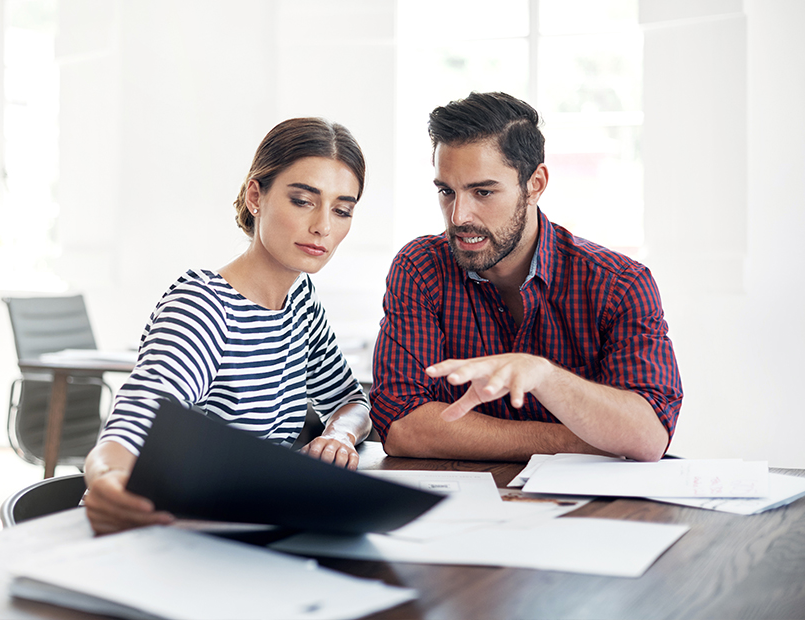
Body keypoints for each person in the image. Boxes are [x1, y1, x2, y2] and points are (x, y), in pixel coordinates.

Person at [83, 118, 373, 534]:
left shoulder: (300, 301)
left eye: (342, 209)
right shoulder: (203, 305)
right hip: (159, 530)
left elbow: (351, 401)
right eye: (303, 201)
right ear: (257, 196)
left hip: (242, 525)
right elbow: (135, 420)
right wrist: (108, 478)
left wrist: (340, 436)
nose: (324, 226)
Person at [369, 92, 682, 464]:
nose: (458, 217)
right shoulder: (420, 268)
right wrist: (583, 440)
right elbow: (403, 426)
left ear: (535, 184)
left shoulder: (619, 284)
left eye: (482, 191)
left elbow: (646, 437)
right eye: (446, 192)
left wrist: (545, 378)